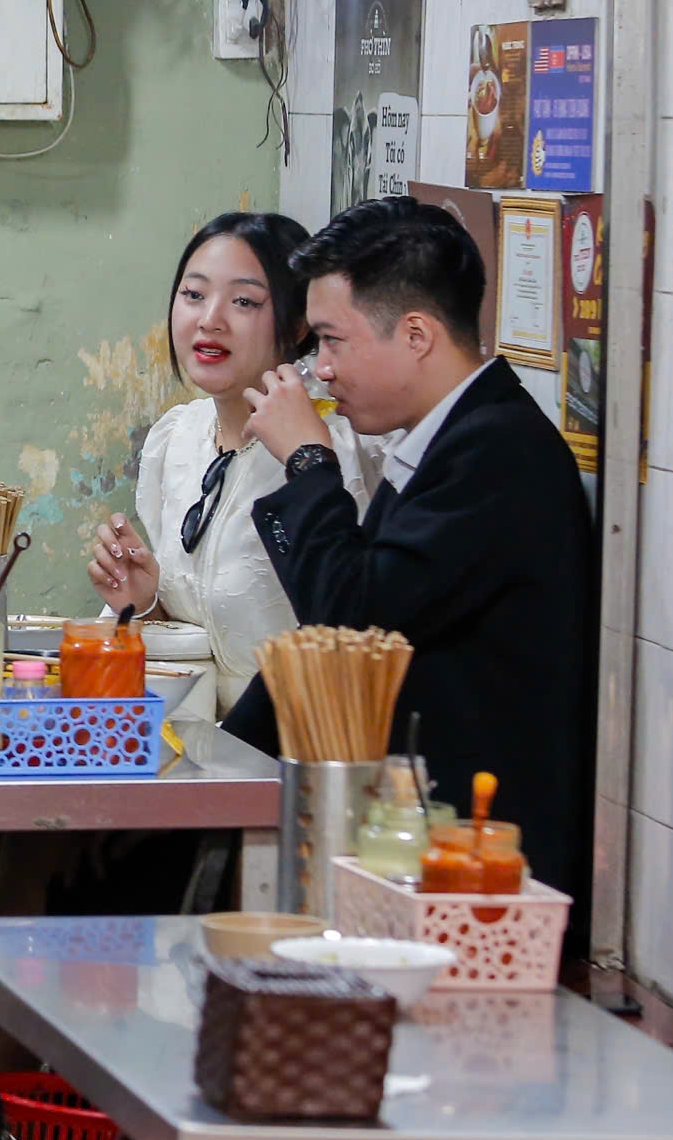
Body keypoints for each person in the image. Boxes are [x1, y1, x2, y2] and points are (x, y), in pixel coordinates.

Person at [228, 194, 599, 918]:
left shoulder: (498, 452)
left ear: (419, 333)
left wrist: (309, 459)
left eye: (332, 340)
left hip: (482, 865)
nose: (322, 370)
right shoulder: (447, 437)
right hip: (423, 837)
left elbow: (353, 615)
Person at [87, 213, 384, 715]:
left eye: (244, 300)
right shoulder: (177, 438)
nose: (211, 319)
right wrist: (147, 602)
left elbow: (353, 623)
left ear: (297, 322)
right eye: (194, 295)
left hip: (300, 753)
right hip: (200, 752)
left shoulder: (339, 449)